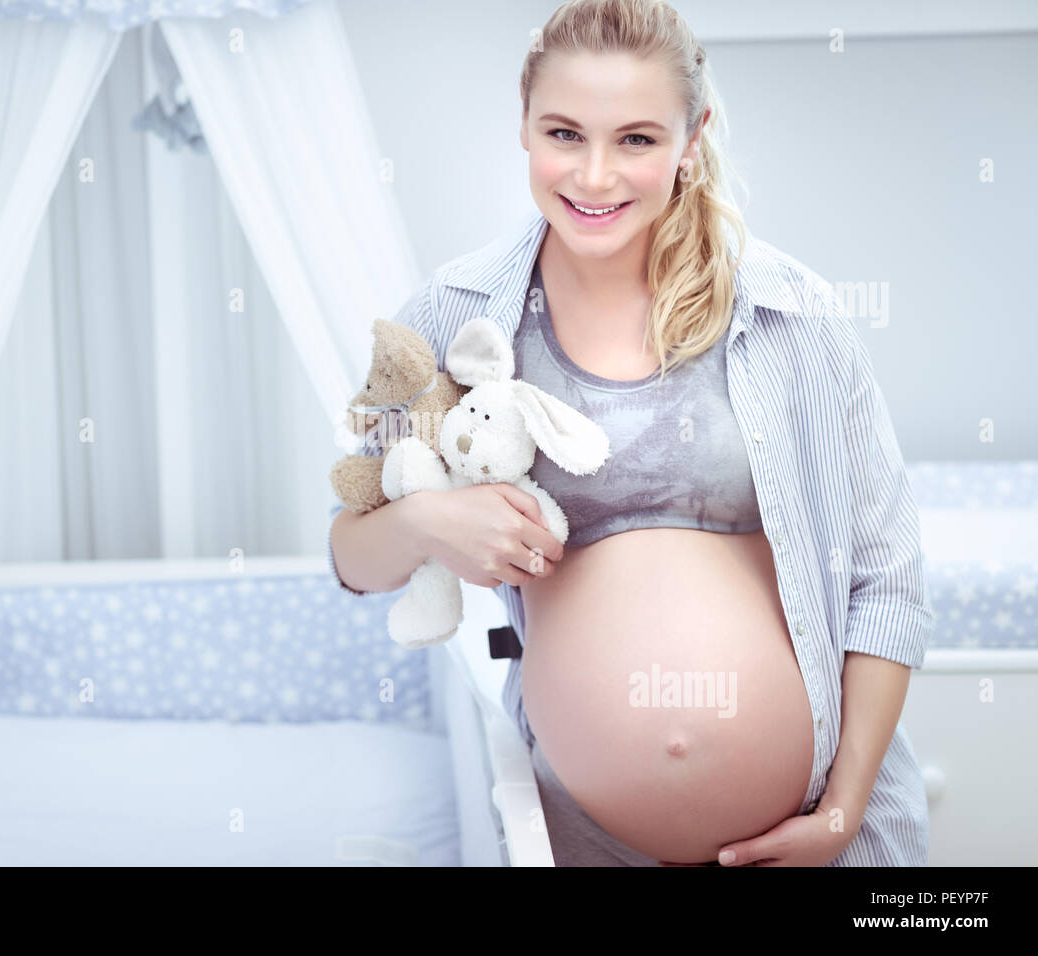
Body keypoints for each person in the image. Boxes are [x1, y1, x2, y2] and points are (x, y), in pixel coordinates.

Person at [329, 0, 931, 867]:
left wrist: (839, 816)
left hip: (820, 835)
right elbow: (351, 556)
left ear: (692, 138)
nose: (596, 176)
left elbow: (888, 585)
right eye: (565, 134)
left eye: (638, 140)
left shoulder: (795, 316)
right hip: (582, 841)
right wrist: (427, 525)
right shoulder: (453, 314)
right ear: (525, 127)